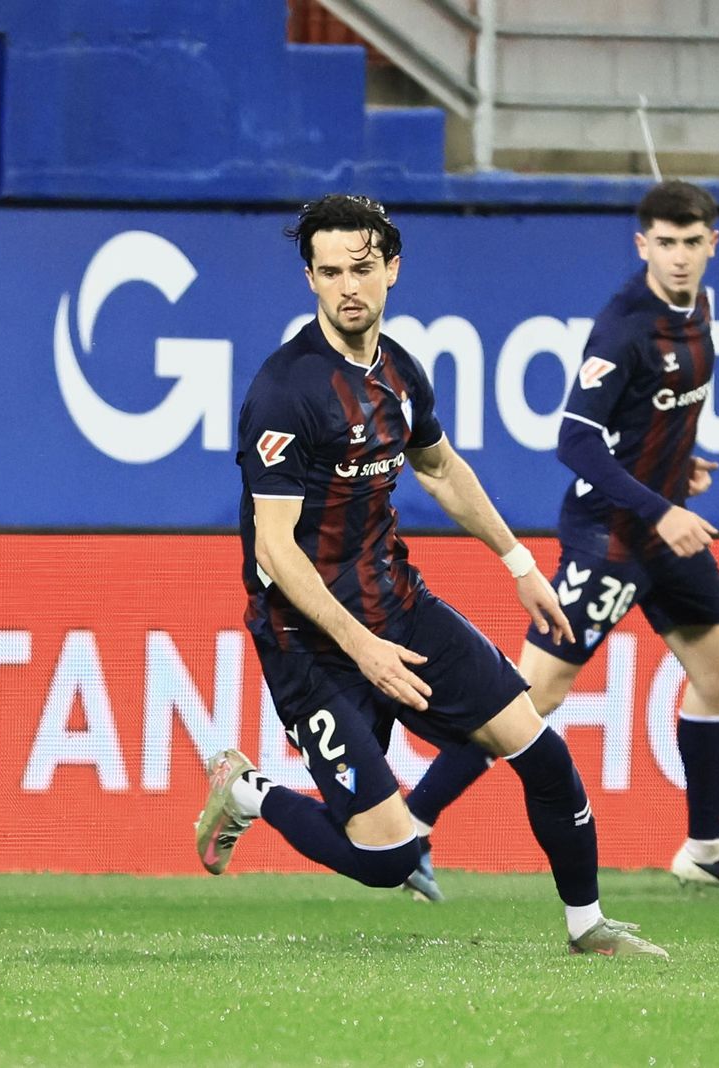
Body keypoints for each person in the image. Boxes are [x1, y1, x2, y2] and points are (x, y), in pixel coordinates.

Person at [196, 194, 667, 956]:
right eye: (328, 272)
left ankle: (588, 928)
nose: (346, 286)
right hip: (309, 642)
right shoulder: (286, 391)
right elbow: (276, 553)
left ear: (391, 270)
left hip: (400, 608)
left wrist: (518, 563)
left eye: (361, 268)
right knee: (388, 859)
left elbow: (440, 468)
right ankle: (247, 790)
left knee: (543, 754)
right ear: (309, 279)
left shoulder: (400, 373)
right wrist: (361, 649)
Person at [403, 181, 719, 901]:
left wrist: (679, 467)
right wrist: (658, 504)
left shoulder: (699, 307)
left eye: (691, 243)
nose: (679, 258)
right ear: (642, 244)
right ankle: (410, 824)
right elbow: (575, 442)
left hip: (665, 528)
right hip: (610, 537)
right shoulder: (625, 328)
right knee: (529, 697)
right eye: (664, 244)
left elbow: (652, 420)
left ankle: (705, 848)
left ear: (714, 243)